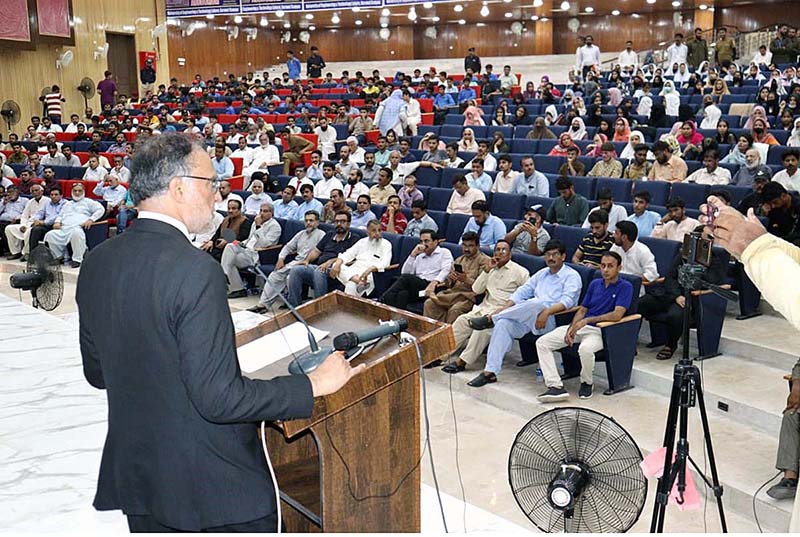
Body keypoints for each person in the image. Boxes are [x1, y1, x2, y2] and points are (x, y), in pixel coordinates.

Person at [76, 133, 361, 533]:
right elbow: (219, 400)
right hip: (213, 492)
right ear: (178, 187)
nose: (217, 194)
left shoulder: (98, 260)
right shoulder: (195, 269)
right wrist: (313, 384)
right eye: (211, 183)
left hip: (142, 478)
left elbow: (99, 373)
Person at [465, 240, 582, 387]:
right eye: (548, 255)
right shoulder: (542, 273)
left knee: (535, 303)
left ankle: (491, 319)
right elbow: (521, 292)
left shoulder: (572, 276)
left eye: (555, 254)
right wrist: (502, 309)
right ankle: (490, 372)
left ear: (563, 256)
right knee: (503, 324)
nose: (551, 258)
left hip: (553, 320)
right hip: (530, 317)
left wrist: (546, 312)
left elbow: (568, 302)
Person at [535, 251, 632, 401]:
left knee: (585, 349)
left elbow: (617, 315)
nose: (605, 270)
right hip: (581, 327)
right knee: (542, 343)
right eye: (603, 266)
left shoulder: (625, 287)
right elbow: (583, 309)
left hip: (602, 330)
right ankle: (555, 386)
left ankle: (587, 382)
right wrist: (572, 328)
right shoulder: (595, 284)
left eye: (610, 266)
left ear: (619, 268)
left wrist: (587, 321)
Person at [441, 240, 529, 375]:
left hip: (501, 313)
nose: (500, 252)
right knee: (461, 320)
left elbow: (526, 295)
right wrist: (486, 271)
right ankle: (441, 355)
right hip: (483, 308)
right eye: (497, 250)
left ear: (510, 254)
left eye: (504, 250)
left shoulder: (520, 272)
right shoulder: (490, 269)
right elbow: (476, 289)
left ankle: (463, 361)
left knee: (480, 330)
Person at [638, 225, 726, 360]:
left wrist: (702, 267)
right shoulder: (683, 255)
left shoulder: (714, 261)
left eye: (712, 239)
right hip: (671, 294)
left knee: (675, 315)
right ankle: (631, 341)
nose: (710, 241)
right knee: (641, 303)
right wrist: (676, 295)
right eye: (707, 238)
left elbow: (713, 280)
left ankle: (670, 345)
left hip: (691, 299)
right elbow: (670, 277)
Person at [248, 210, 325, 314]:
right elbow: (288, 247)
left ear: (317, 222)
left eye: (311, 221)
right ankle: (263, 305)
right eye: (306, 220)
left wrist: (305, 261)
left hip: (309, 265)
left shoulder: (321, 235)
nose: (308, 223)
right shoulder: (301, 234)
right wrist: (281, 258)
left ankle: (294, 305)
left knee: (290, 277)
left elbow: (319, 253)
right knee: (274, 275)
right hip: (295, 262)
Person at [287, 210, 360, 306]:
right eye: (337, 221)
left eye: (343, 221)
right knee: (296, 270)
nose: (339, 224)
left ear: (349, 224)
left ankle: (320, 307)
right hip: (319, 267)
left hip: (337, 271)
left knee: (320, 271)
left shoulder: (354, 238)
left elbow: (353, 260)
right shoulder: (329, 235)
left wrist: (331, 262)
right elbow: (316, 251)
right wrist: (306, 260)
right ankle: (295, 307)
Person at [423, 231, 490, 323]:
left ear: (477, 246)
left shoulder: (485, 261)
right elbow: (448, 284)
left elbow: (482, 287)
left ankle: (448, 336)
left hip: (469, 297)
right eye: (464, 245)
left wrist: (466, 280)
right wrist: (450, 279)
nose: (466, 249)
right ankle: (433, 334)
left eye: (470, 246)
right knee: (429, 303)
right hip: (452, 293)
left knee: (455, 310)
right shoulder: (459, 260)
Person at [380, 229, 452, 310]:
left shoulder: (444, 252)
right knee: (403, 294)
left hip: (433, 288)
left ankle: (382, 299)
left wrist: (434, 282)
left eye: (426, 241)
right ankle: (397, 318)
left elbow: (446, 270)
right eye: (421, 241)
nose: (423, 244)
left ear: (435, 242)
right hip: (421, 291)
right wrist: (413, 255)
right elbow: (404, 273)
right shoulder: (420, 256)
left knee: (406, 279)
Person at [221, 202, 281, 298]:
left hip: (256, 255)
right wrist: (241, 243)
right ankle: (237, 289)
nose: (262, 213)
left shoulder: (275, 227)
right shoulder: (255, 222)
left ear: (272, 213)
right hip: (246, 249)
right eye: (260, 210)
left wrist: (258, 227)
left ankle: (224, 275)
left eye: (265, 211)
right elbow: (250, 239)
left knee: (230, 254)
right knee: (231, 246)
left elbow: (265, 244)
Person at [43, 183, 104, 268]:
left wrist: (91, 220)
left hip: (78, 228)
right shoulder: (68, 204)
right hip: (64, 228)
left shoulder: (88, 202)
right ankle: (58, 257)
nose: (77, 193)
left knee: (76, 234)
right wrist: (57, 222)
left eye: (79, 191)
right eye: (75, 191)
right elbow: (60, 215)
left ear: (84, 192)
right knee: (50, 235)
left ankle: (77, 259)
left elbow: (100, 210)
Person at [331, 219, 392, 296]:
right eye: (374, 230)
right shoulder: (362, 242)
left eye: (379, 230)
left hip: (369, 275)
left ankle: (355, 283)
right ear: (367, 232)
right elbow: (348, 254)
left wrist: (371, 269)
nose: (377, 233)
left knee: (351, 285)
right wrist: (338, 263)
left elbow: (386, 263)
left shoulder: (386, 244)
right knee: (335, 265)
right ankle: (357, 280)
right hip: (354, 270)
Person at [611, 221, 659, 296]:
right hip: (614, 286)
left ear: (624, 237)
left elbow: (652, 274)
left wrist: (632, 279)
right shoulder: (615, 247)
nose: (613, 235)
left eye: (616, 233)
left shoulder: (643, 251)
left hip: (634, 290)